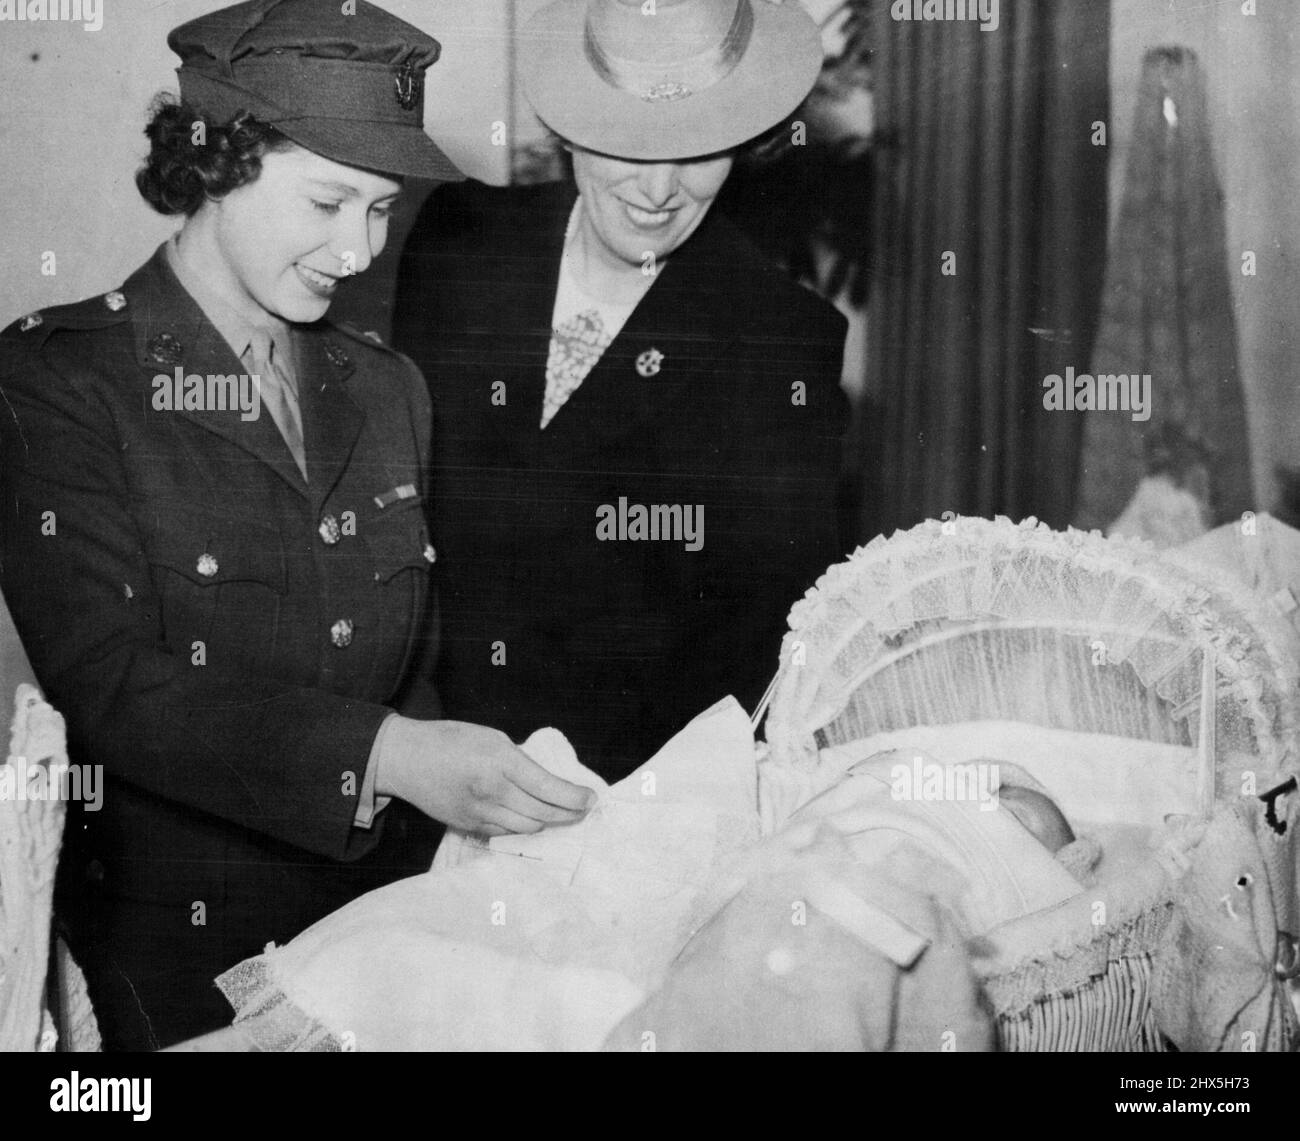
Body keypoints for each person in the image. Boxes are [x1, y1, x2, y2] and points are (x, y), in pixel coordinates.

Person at [0, 0, 593, 1051]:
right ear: (215, 161)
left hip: (388, 922)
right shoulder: (60, 381)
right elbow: (111, 685)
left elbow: (415, 667)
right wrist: (391, 753)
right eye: (328, 202)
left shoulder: (386, 387)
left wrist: (465, 820)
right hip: (172, 956)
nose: (359, 250)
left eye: (380, 209)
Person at [394, 0, 850, 785]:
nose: (660, 190)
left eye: (701, 150)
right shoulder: (459, 239)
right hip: (418, 767)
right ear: (571, 125)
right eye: (630, 146)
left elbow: (758, 658)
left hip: (615, 809)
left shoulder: (783, 343)